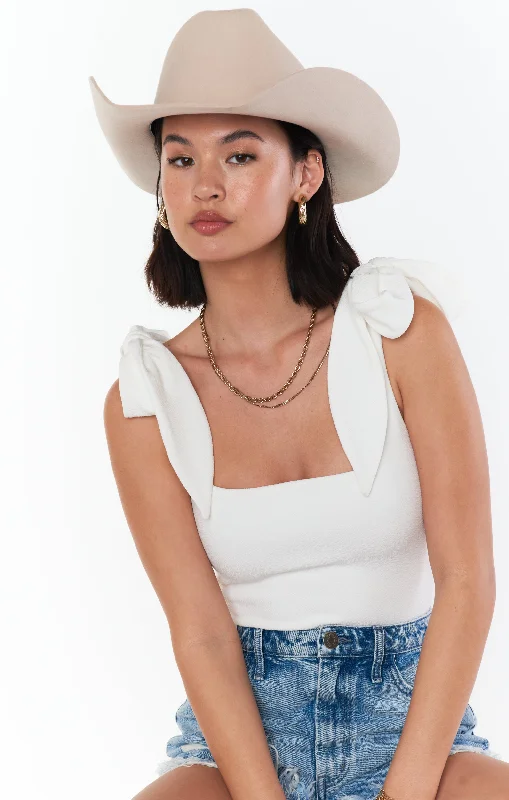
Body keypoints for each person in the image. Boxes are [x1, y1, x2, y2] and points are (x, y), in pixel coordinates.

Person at [92, 9, 508, 800]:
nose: (204, 186)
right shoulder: (143, 400)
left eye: (239, 154)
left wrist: (404, 791)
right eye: (178, 159)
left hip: (413, 730)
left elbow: (468, 580)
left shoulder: (399, 333)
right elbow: (203, 634)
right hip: (234, 750)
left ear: (305, 175)